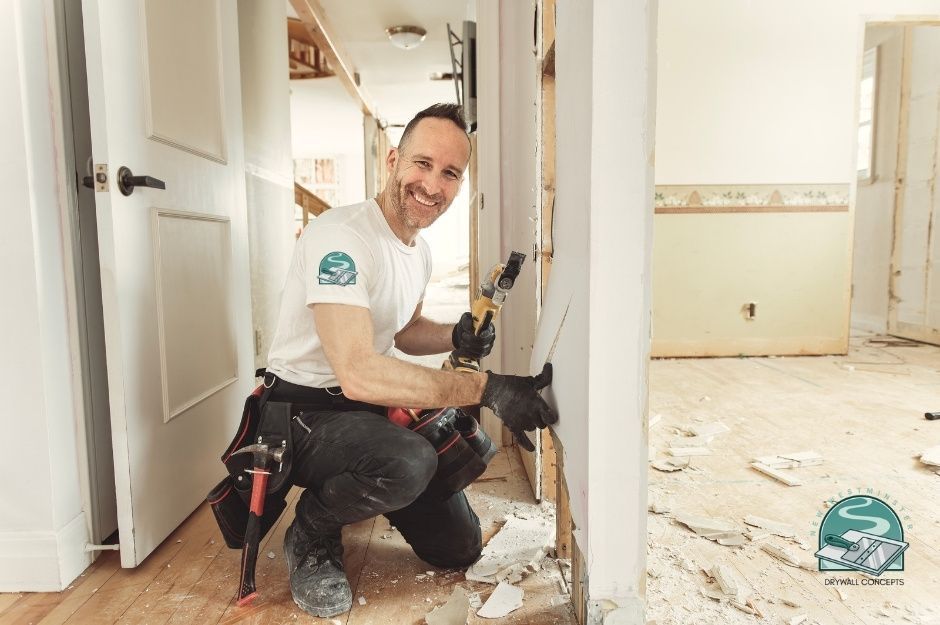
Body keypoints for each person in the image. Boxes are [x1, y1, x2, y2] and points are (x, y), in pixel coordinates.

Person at [264, 103, 558, 618]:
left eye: (450, 173)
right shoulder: (341, 239)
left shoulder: (417, 251)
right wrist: (485, 388)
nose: (432, 185)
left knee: (458, 548)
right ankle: (312, 528)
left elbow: (399, 330)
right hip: (301, 411)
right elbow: (356, 369)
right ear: (394, 160)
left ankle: (364, 488)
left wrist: (454, 335)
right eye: (422, 164)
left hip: (365, 410)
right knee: (409, 461)